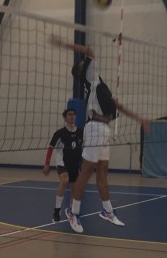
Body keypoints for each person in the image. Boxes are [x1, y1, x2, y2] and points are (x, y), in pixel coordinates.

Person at [51, 37, 151, 233]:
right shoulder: (89, 77)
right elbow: (89, 50)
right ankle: (73, 211)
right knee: (86, 171)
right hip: (95, 129)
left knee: (103, 171)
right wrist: (64, 45)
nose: (86, 62)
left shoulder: (100, 86)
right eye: (83, 64)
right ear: (82, 70)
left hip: (103, 129)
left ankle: (107, 211)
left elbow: (117, 106)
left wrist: (140, 119)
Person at [43, 108, 83, 223]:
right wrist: (47, 164)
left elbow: (82, 148)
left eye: (74, 114)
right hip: (62, 162)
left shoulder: (80, 132)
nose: (72, 116)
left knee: (75, 187)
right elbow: (50, 148)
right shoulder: (60, 133)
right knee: (65, 180)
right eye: (69, 114)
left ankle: (71, 211)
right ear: (65, 118)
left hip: (75, 164)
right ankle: (57, 211)